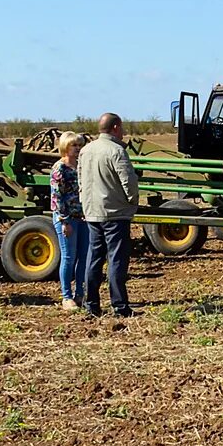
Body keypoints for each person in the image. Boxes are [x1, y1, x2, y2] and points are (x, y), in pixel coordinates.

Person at [78, 112, 140, 321]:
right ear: (115, 127)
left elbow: (80, 179)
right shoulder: (116, 151)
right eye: (121, 127)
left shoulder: (85, 150)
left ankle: (91, 305)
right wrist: (132, 202)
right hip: (114, 213)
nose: (123, 132)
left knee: (94, 258)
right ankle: (120, 306)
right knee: (116, 259)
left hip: (92, 213)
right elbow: (129, 182)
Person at [49, 132, 88, 311]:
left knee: (83, 256)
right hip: (67, 219)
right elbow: (57, 197)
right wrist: (64, 221)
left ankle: (81, 293)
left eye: (79, 145)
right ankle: (66, 296)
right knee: (68, 256)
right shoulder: (59, 168)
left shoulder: (81, 166)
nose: (78, 148)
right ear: (66, 147)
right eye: (74, 145)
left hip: (83, 217)